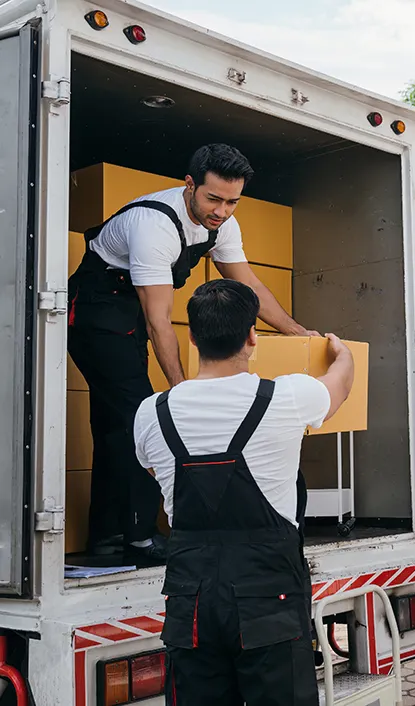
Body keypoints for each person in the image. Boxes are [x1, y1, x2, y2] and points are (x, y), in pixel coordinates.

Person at [67, 144, 318, 564]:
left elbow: (248, 284)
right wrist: (184, 394)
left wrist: (296, 330)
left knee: (118, 421)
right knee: (135, 414)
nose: (221, 210)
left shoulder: (222, 224)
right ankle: (134, 537)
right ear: (190, 185)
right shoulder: (155, 226)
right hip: (96, 312)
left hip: (128, 310)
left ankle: (111, 537)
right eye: (213, 198)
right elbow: (158, 321)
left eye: (232, 201)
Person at [133, 278, 353, 705]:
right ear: (253, 336)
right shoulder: (287, 395)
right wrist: (341, 352)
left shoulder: (151, 412)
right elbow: (339, 385)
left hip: (191, 599)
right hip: (268, 596)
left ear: (191, 337)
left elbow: (151, 467)